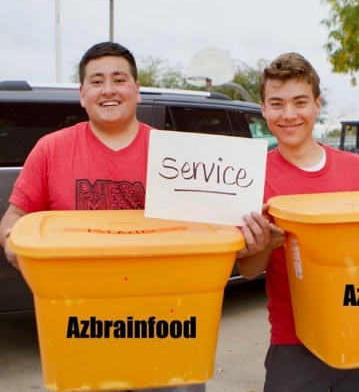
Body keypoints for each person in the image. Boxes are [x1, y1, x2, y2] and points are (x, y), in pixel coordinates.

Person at [0, 41, 270, 392]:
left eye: (119, 79)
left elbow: (215, 235)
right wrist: (12, 240)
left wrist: (252, 239)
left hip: (171, 326)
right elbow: (16, 216)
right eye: (96, 81)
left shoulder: (181, 157)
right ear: (82, 94)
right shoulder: (51, 150)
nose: (108, 89)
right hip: (83, 329)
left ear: (137, 91)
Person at [236, 53, 359, 392]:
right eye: (276, 103)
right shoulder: (251, 178)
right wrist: (265, 244)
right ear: (263, 109)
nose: (289, 115)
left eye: (300, 102)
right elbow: (248, 270)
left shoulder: (357, 170)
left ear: (317, 105)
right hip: (294, 342)